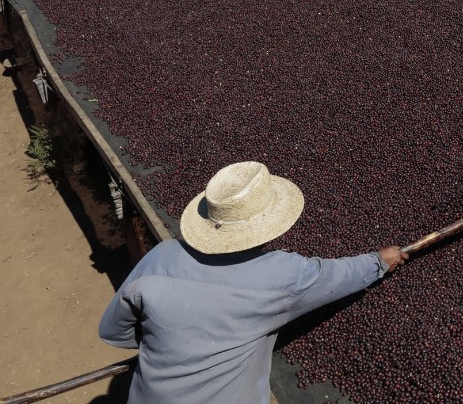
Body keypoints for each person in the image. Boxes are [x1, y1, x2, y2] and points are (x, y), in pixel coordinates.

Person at [99, 161, 407, 404]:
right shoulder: (284, 275)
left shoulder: (161, 256)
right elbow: (337, 277)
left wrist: (169, 339)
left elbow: (113, 331)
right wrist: (380, 261)